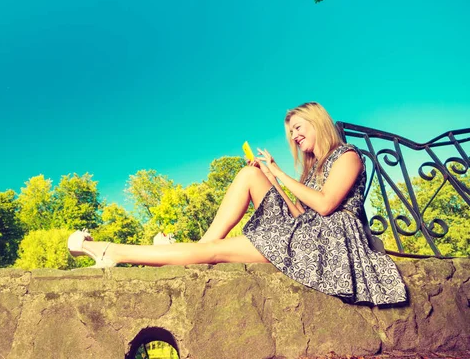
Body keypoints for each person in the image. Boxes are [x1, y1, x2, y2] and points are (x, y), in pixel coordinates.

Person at [67, 102, 407, 305]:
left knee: (214, 253)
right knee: (248, 177)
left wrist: (279, 173)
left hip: (330, 242)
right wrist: (270, 177)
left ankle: (112, 251)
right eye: (290, 132)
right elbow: (301, 213)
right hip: (309, 232)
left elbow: (327, 205)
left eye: (299, 128)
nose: (294, 136)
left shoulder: (347, 156)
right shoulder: (313, 169)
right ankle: (195, 247)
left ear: (317, 122)